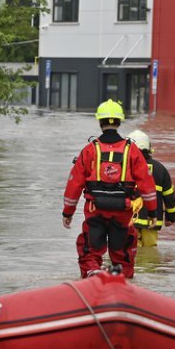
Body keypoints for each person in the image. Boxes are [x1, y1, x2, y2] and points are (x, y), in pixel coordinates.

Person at [62, 100, 157, 279]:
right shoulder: (133, 151)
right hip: (123, 211)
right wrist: (152, 212)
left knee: (90, 249)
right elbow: (147, 184)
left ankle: (92, 277)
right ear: (119, 122)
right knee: (123, 253)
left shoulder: (90, 150)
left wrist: (68, 213)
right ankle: (123, 284)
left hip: (95, 210)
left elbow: (74, 184)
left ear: (100, 122)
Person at [127, 129, 175, 247]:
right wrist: (171, 217)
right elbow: (169, 196)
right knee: (149, 255)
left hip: (128, 221)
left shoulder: (124, 166)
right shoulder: (160, 169)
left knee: (128, 252)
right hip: (152, 222)